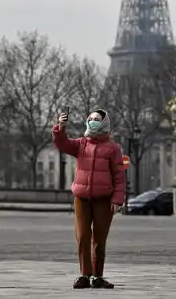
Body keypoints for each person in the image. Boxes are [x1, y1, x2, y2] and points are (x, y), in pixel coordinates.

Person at [53, 108, 126, 289]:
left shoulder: (113, 149)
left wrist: (117, 200)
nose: (93, 121)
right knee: (83, 237)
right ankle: (84, 275)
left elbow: (119, 176)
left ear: (104, 123)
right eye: (91, 118)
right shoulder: (81, 144)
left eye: (97, 119)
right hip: (82, 198)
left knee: (99, 240)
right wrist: (60, 127)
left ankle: (98, 277)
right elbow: (62, 144)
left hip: (103, 199)